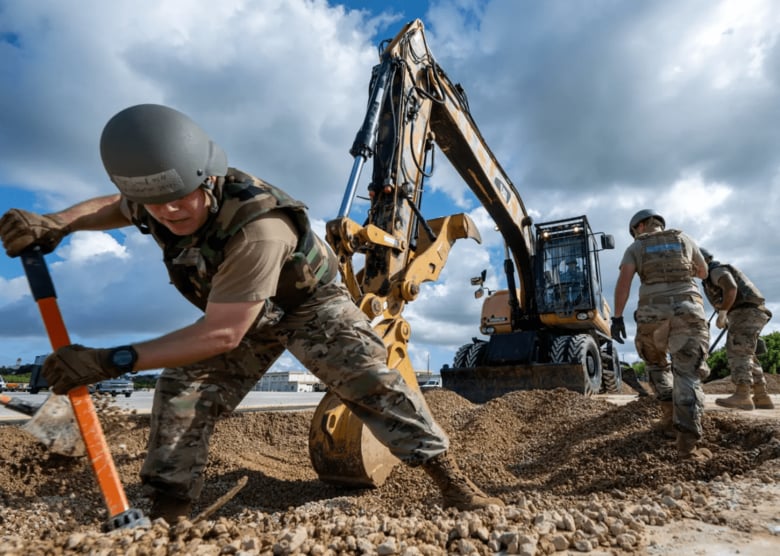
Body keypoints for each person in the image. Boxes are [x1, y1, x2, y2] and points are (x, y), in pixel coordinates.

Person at [0, 103, 503, 523]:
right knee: (184, 389)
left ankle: (451, 481)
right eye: (155, 205)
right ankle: (169, 507)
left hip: (309, 305)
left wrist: (114, 359)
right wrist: (58, 222)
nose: (171, 212)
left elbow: (220, 333)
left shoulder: (258, 225)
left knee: (373, 381)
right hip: (244, 310)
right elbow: (118, 205)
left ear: (209, 175)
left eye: (181, 199)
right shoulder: (157, 195)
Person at [611, 209, 711, 460]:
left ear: (641, 226)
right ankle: (687, 446)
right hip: (688, 313)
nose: (635, 234)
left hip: (652, 317)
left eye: (634, 231)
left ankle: (668, 419)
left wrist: (617, 317)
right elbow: (703, 272)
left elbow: (624, 282)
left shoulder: (636, 247)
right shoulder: (684, 239)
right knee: (687, 374)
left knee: (656, 365)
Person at [700, 248, 774, 410]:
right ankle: (761, 396)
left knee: (738, 351)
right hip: (752, 312)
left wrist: (723, 312)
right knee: (747, 353)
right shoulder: (712, 275)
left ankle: (742, 395)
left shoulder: (716, 271)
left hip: (745, 311)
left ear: (703, 260)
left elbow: (731, 288)